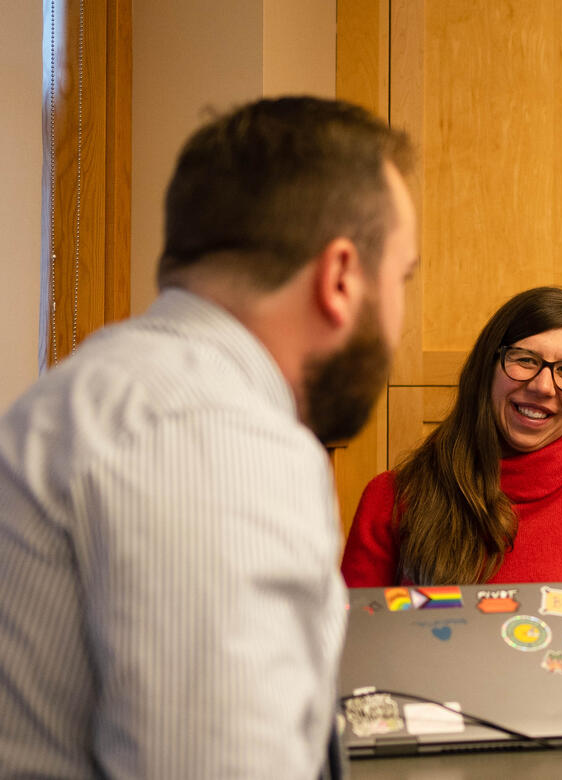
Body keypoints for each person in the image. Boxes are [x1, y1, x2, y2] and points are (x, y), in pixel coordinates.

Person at [0, 97, 417, 776]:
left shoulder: (101, 388)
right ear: (341, 277)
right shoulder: (215, 435)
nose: (400, 321)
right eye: (401, 277)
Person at [340, 286, 562, 649]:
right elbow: (352, 651)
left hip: (553, 706)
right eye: (525, 359)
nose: (543, 386)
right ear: (487, 365)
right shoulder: (391, 495)